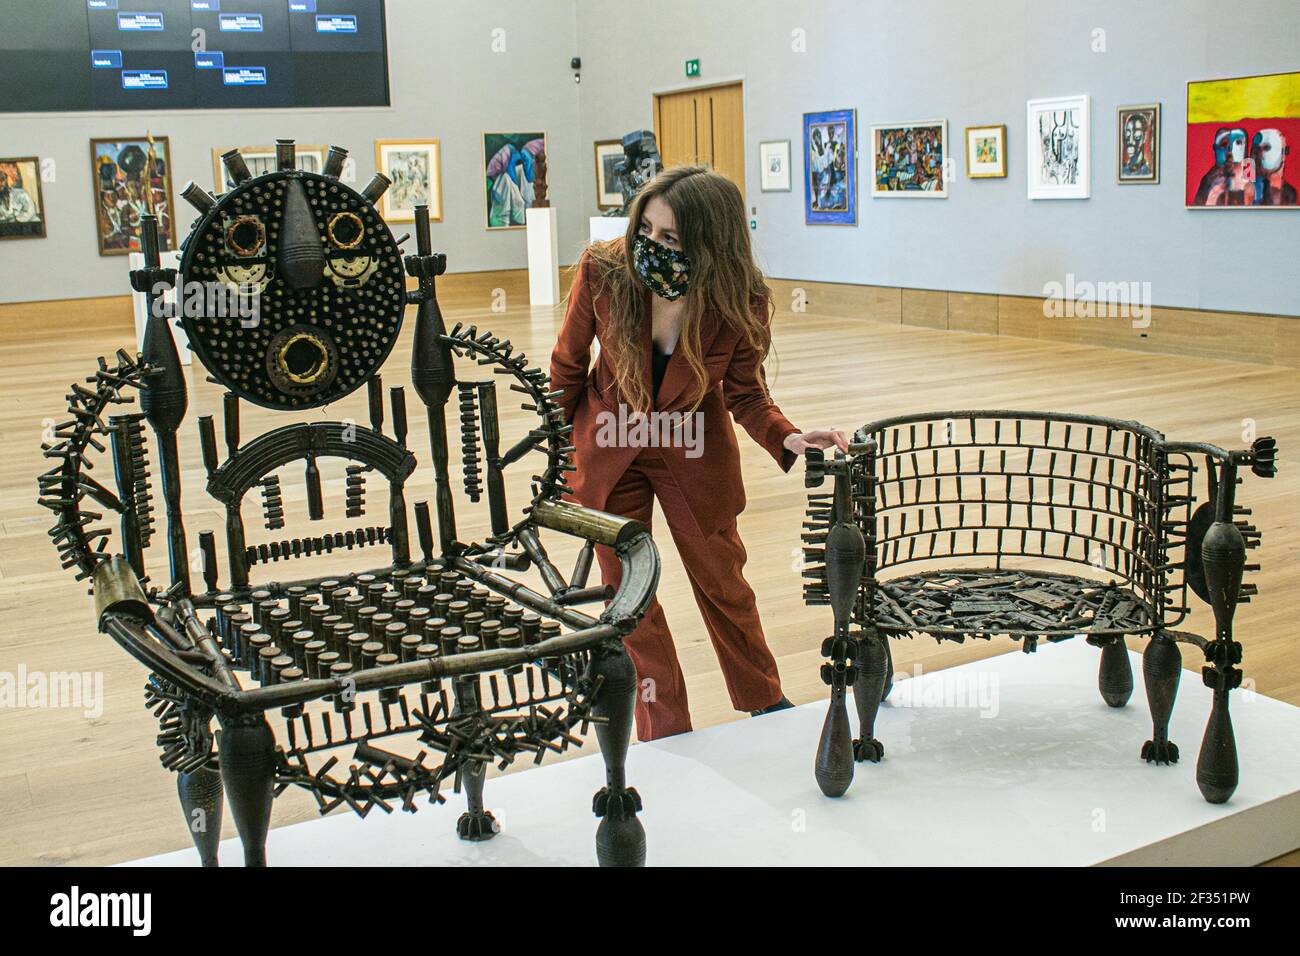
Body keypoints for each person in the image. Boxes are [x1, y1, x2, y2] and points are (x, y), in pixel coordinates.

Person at [550, 165, 848, 741]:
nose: (651, 248)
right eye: (646, 232)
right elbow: (567, 366)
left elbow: (745, 391)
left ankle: (763, 698)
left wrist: (787, 435)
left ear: (710, 247)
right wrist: (555, 452)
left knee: (722, 578)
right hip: (610, 445)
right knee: (628, 595)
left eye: (670, 240)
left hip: (692, 446)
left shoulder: (741, 300)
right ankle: (664, 728)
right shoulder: (605, 270)